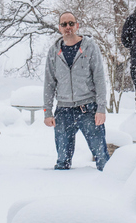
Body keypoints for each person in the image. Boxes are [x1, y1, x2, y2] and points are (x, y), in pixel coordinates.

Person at [43, 11, 111, 170]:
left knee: (102, 160)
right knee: (62, 162)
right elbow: (49, 84)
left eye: (71, 23)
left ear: (77, 26)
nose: (68, 27)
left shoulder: (89, 47)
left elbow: (99, 79)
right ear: (59, 28)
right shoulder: (54, 51)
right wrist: (47, 112)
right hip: (63, 111)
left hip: (88, 108)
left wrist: (101, 109)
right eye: (64, 24)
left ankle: (108, 189)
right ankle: (64, 191)